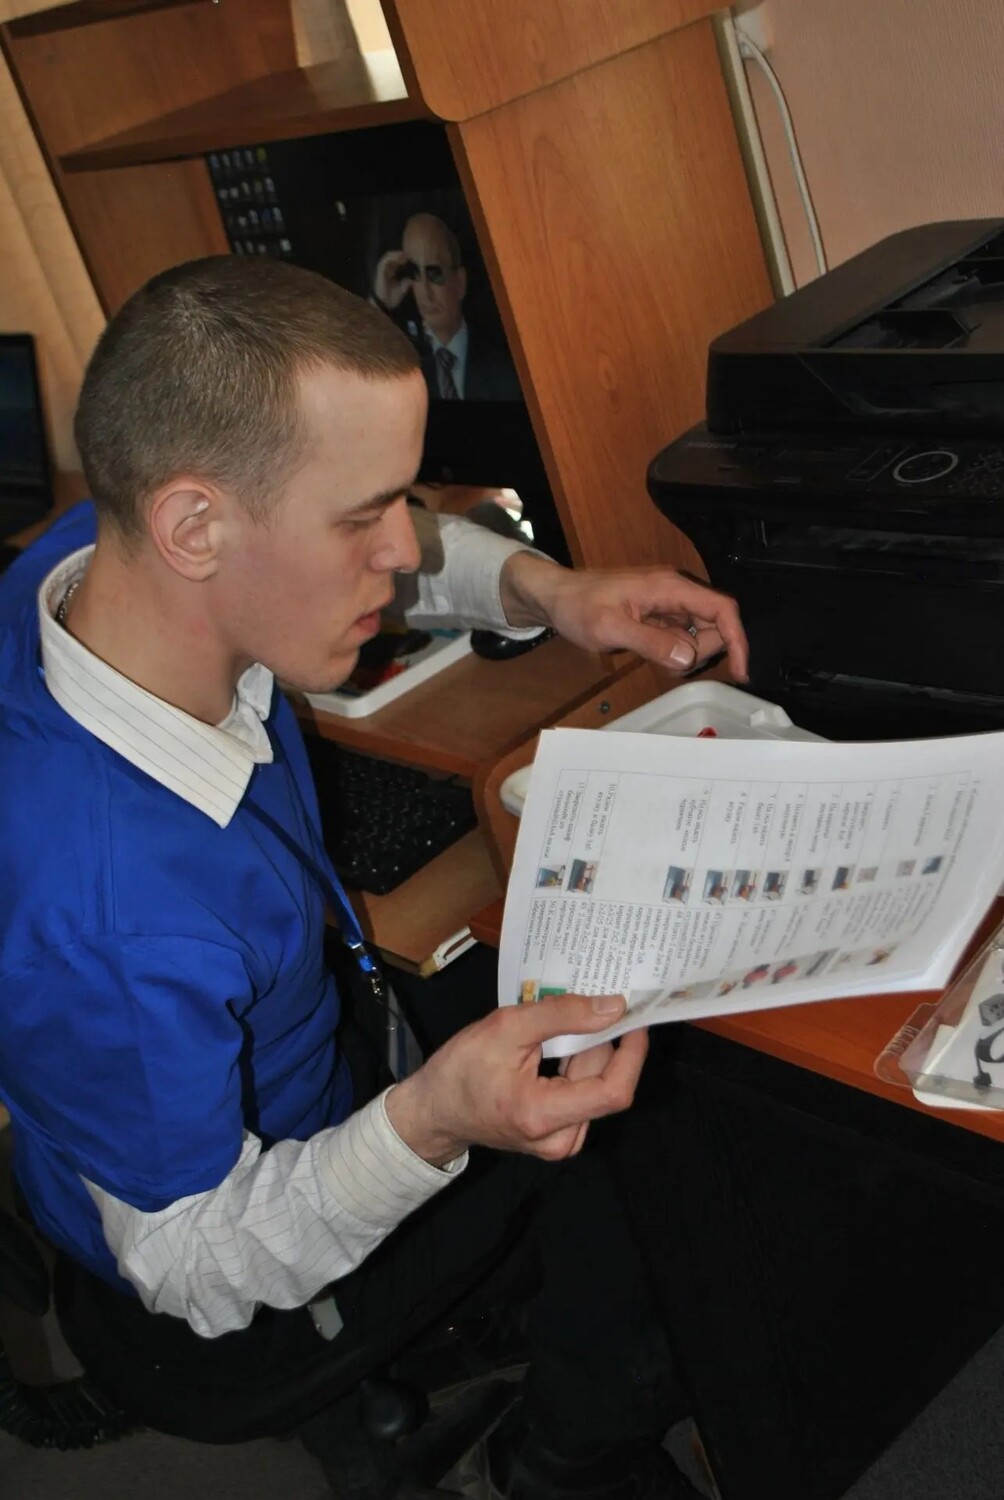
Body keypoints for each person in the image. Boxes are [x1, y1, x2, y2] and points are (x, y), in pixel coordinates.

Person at [0, 256, 747, 1500]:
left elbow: (396, 550)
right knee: (649, 1145)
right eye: (362, 521)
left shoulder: (85, 562)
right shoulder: (110, 920)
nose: (403, 548)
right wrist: (434, 1121)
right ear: (195, 527)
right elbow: (192, 1263)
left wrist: (548, 590)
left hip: (313, 1031)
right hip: (242, 1260)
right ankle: (567, 1454)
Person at [372, 212, 521, 401]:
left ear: (459, 282)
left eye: (435, 273)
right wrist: (380, 303)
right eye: (414, 272)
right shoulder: (406, 365)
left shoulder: (504, 372)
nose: (425, 292)